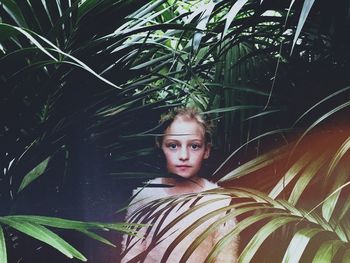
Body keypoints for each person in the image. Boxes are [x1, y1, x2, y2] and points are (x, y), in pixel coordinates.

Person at [120, 107, 239, 263]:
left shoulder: (220, 203)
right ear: (161, 146)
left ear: (206, 150)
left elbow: (227, 259)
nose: (184, 156)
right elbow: (130, 256)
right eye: (173, 145)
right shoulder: (145, 197)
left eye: (194, 146)